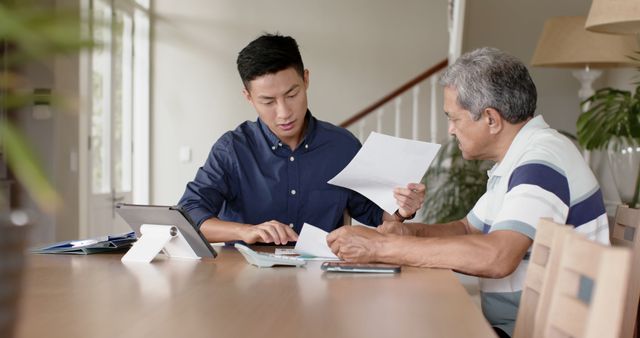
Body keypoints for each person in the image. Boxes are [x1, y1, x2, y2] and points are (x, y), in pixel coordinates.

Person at [327, 47, 609, 338]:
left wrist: (379, 248)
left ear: (491, 119)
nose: (450, 130)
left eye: (454, 118)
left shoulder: (541, 161)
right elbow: (467, 229)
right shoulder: (518, 160)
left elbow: (498, 256)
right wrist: (406, 235)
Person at [178, 33, 425, 246]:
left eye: (292, 94)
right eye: (268, 101)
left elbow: (376, 215)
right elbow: (188, 214)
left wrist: (401, 209)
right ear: (248, 97)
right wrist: (246, 231)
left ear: (306, 79)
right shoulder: (231, 149)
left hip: (322, 279)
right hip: (246, 279)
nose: (284, 112)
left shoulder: (342, 146)